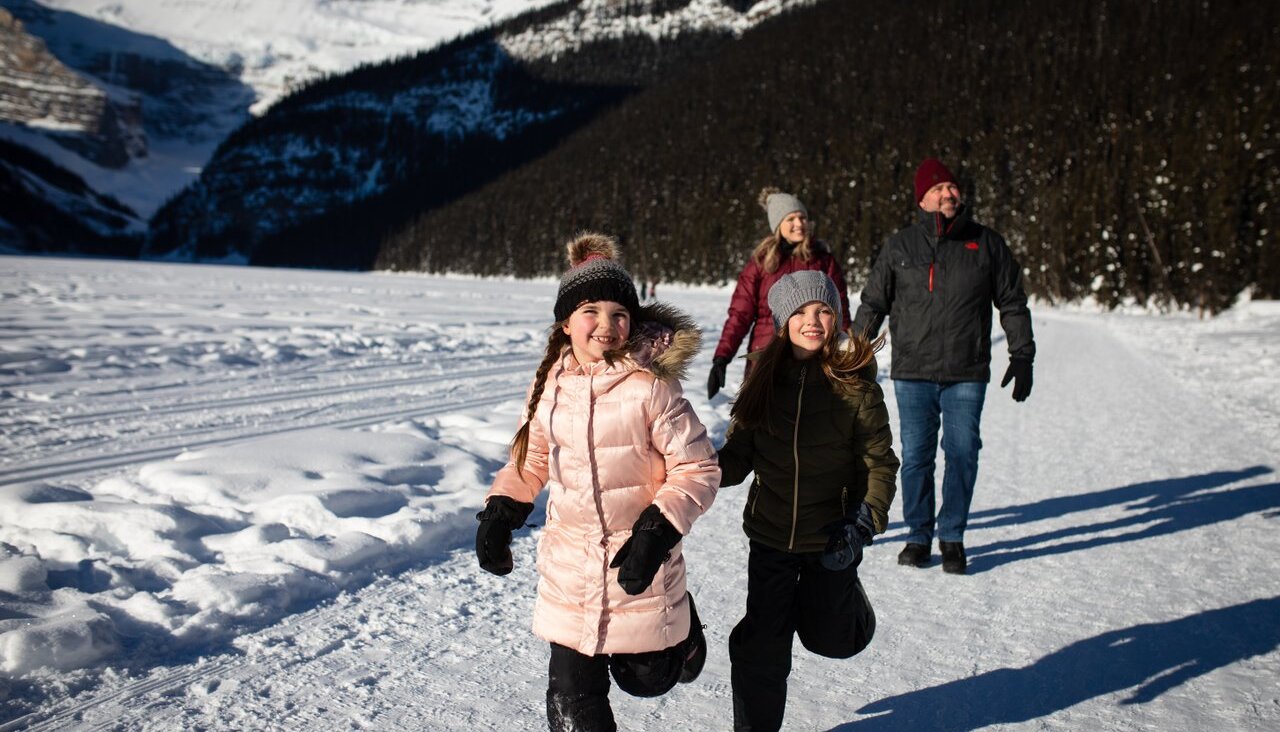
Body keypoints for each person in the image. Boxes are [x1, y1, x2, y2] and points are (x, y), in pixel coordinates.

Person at [476, 232, 721, 732]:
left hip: (640, 557)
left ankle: (684, 634)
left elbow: (698, 468)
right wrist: (502, 509)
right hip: (570, 564)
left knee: (646, 678)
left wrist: (659, 528)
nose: (605, 325)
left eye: (619, 314)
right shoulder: (550, 383)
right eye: (590, 311)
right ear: (566, 322)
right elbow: (534, 455)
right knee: (572, 698)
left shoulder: (651, 388)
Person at [717, 270, 899, 731]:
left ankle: (848, 602)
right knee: (764, 644)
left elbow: (880, 463)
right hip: (771, 534)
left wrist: (863, 523)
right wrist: (700, 466)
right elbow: (738, 455)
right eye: (799, 312)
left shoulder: (855, 384)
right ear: (782, 322)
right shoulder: (763, 379)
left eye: (822, 310)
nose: (812, 320)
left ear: (836, 317)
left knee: (833, 639)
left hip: (832, 535)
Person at [852, 157, 1036, 575]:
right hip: (912, 371)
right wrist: (852, 359)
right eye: (937, 189)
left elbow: (1012, 301)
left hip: (965, 370)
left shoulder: (987, 243)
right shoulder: (900, 246)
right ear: (922, 198)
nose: (947, 194)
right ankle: (919, 535)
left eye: (952, 187)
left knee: (963, 452)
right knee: (916, 456)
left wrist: (1022, 353)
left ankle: (952, 535)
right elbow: (874, 304)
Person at [707, 187, 852, 400]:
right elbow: (740, 314)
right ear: (778, 225)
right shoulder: (760, 263)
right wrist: (722, 357)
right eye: (791, 218)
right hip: (767, 354)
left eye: (802, 217)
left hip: (813, 354)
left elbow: (840, 312)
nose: (799, 223)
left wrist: (847, 352)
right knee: (762, 421)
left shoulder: (823, 260)